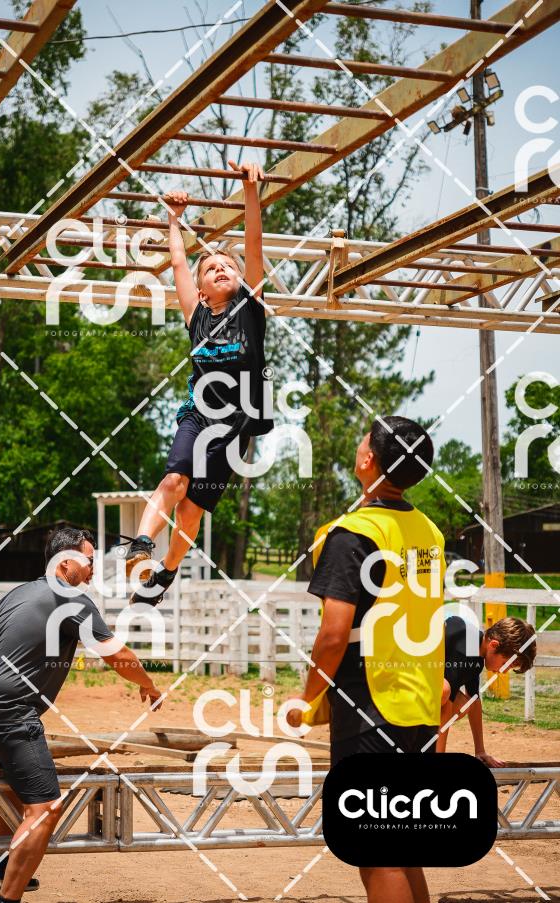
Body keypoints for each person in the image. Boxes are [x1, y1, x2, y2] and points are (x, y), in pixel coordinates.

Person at [287, 416, 444, 903]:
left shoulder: (354, 533)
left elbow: (334, 634)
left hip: (371, 703)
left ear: (368, 459)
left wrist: (307, 697)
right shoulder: (429, 532)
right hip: (419, 703)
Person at [0, 526, 162, 903]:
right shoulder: (72, 599)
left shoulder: (18, 592)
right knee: (47, 808)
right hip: (10, 713)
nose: (94, 567)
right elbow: (117, 655)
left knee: (13, 784)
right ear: (64, 562)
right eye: (89, 560)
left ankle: (4, 867)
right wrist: (150, 686)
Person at [123, 160, 273, 606]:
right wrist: (173, 219)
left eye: (228, 266)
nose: (222, 269)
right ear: (202, 289)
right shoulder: (197, 315)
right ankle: (141, 546)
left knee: (191, 513)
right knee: (174, 480)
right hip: (199, 415)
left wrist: (250, 191)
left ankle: (165, 574)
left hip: (236, 425)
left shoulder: (250, 309)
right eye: (212, 268)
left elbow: (253, 243)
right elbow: (178, 264)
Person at [437, 614, 536, 765]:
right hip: (402, 682)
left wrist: (480, 751)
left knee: (465, 704)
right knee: (445, 692)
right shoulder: (464, 647)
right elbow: (445, 708)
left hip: (420, 690)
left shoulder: (476, 653)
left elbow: (474, 700)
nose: (504, 671)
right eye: (506, 664)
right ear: (494, 645)